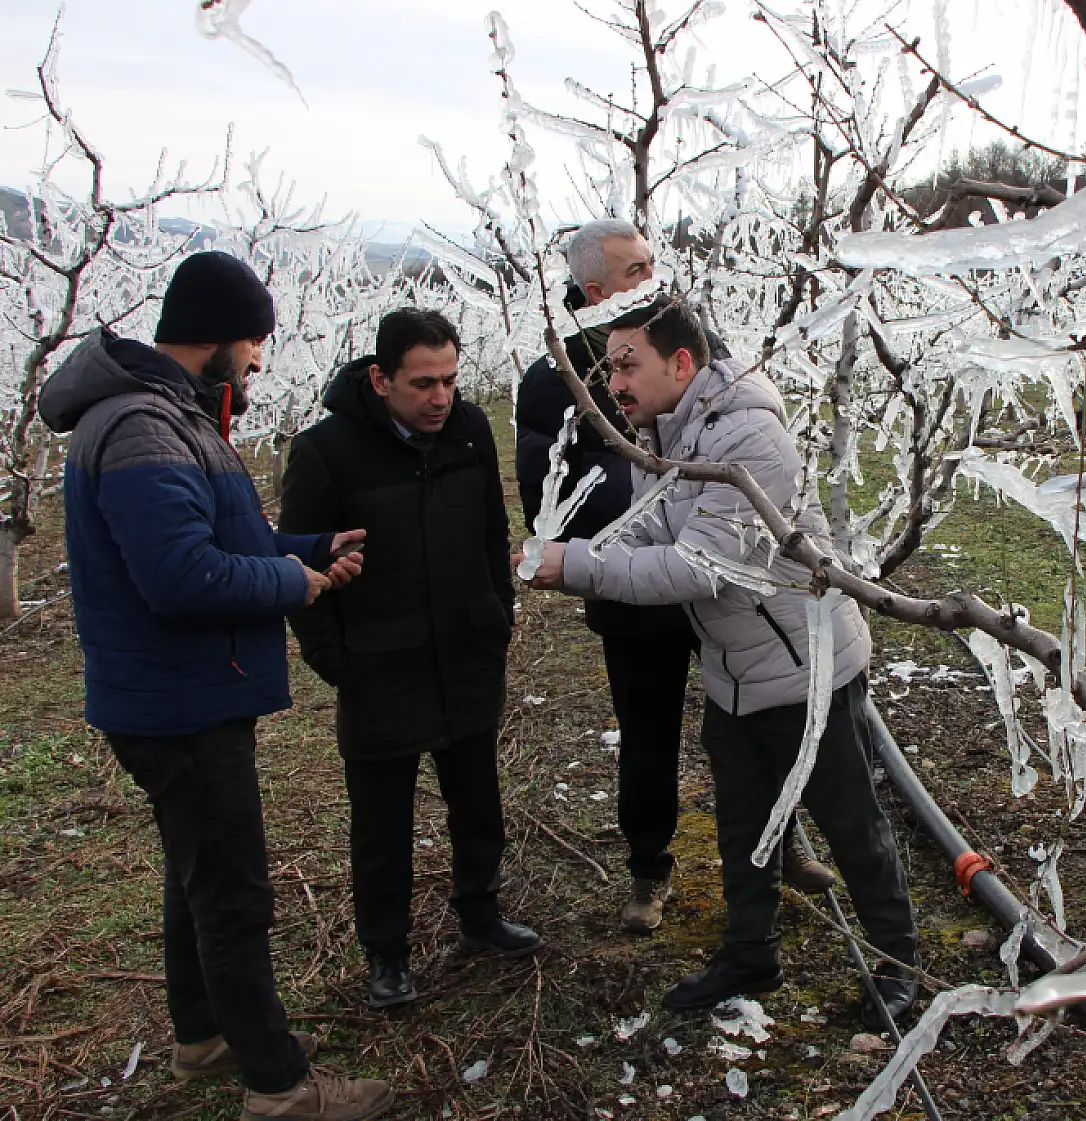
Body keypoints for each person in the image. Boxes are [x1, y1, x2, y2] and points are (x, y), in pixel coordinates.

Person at [38, 251, 392, 1120]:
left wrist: (306, 549)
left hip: (183, 693)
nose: (262, 359)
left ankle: (202, 1032)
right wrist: (293, 583)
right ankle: (278, 1085)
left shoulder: (172, 415)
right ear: (221, 336)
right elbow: (182, 576)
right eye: (256, 340)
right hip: (179, 702)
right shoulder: (143, 426)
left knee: (197, 872)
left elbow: (219, 537)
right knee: (233, 891)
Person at [521, 295, 920, 1025]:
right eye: (609, 369)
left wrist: (574, 563)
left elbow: (699, 567)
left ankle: (899, 963)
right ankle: (750, 953)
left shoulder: (746, 439)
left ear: (681, 363)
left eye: (627, 366)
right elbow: (648, 536)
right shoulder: (663, 435)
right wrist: (576, 552)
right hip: (735, 669)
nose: (614, 384)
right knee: (742, 824)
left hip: (805, 667)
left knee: (849, 822)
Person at [514, 218, 834, 934]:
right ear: (593, 289)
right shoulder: (553, 379)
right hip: (630, 585)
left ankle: (782, 841)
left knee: (753, 718)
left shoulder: (686, 339)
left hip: (719, 586)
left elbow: (732, 441)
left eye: (651, 264)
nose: (651, 278)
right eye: (635, 270)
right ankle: (648, 867)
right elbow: (551, 497)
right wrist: (644, 510)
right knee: (646, 732)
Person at [280, 308, 540, 1011]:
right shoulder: (326, 452)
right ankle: (386, 954)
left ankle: (481, 915)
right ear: (380, 378)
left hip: (466, 653)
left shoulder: (470, 430)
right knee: (382, 824)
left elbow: (491, 534)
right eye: (423, 383)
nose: (440, 397)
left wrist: (496, 617)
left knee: (478, 802)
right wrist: (338, 663)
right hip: (378, 666)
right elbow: (300, 569)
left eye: (450, 380)